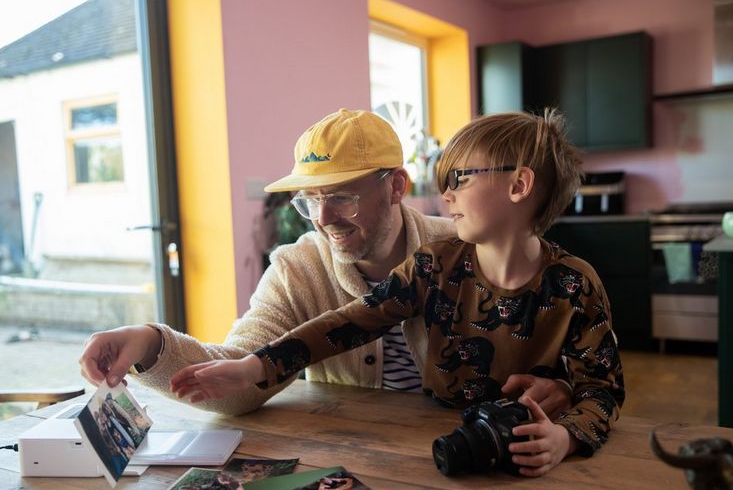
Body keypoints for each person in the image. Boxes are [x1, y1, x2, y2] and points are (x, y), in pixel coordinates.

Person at [169, 109, 625, 477]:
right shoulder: (433, 264)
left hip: (520, 458)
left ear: (519, 185)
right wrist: (253, 366)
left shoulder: (575, 284)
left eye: (461, 179)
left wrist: (565, 438)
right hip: (426, 446)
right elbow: (351, 322)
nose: (446, 195)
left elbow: (601, 390)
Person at [79, 109, 571, 417]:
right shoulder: (297, 270)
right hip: (359, 467)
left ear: (396, 186)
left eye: (340, 197)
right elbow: (237, 384)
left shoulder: (463, 249)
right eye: (309, 200)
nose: (322, 218)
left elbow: (559, 345)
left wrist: (562, 387)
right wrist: (150, 345)